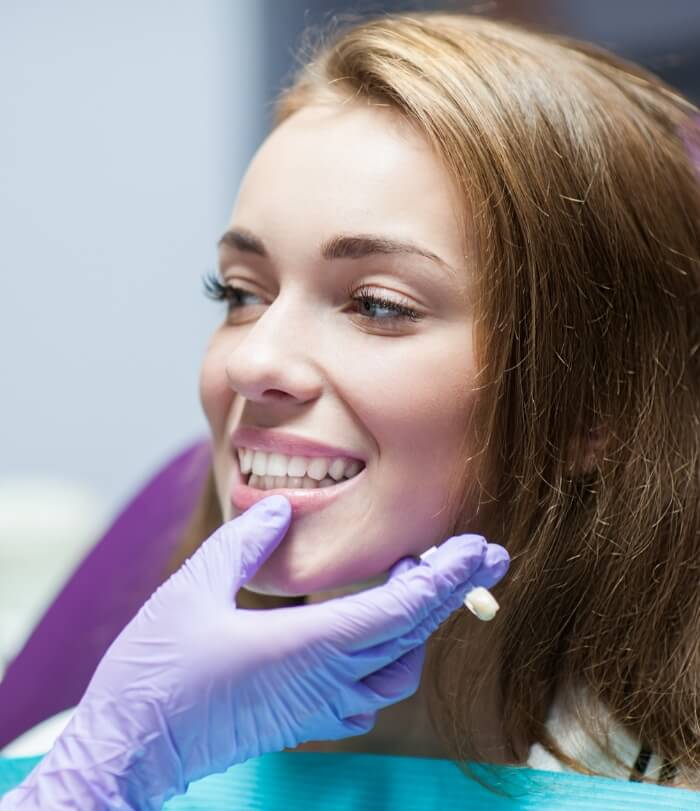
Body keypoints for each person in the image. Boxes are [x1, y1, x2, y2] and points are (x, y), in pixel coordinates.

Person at [2, 7, 700, 807]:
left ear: (594, 411)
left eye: (376, 304)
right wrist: (104, 775)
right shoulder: (84, 763)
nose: (254, 360)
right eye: (239, 293)